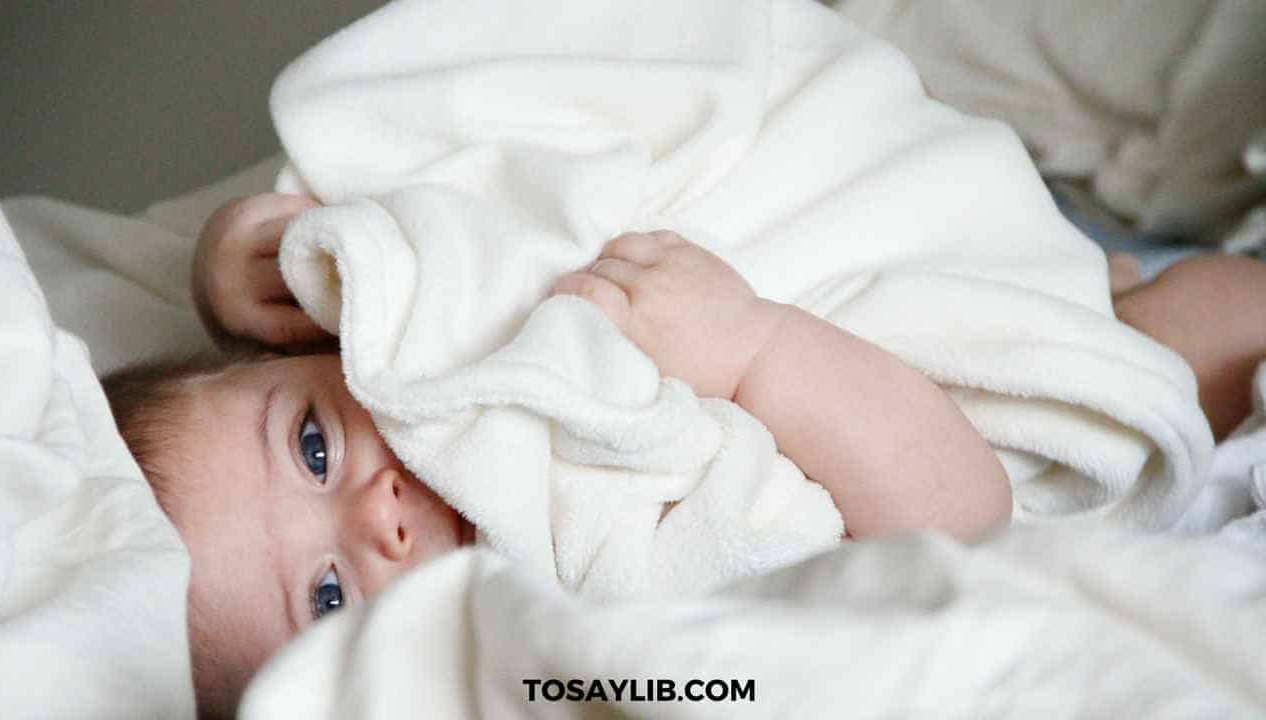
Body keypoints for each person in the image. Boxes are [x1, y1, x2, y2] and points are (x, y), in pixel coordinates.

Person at [104, 192, 1266, 718]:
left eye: (310, 444)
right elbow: (958, 523)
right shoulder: (586, 615)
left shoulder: (435, 348)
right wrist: (754, 350)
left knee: (1082, 276)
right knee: (1189, 332)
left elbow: (371, 228)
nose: (379, 517)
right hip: (942, 425)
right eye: (326, 593)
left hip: (887, 271)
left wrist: (240, 260)